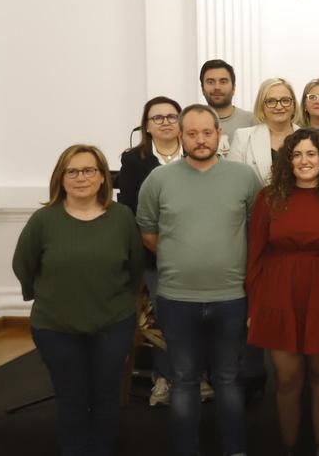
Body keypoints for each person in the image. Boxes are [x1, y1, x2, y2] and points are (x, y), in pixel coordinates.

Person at [136, 104, 263, 456]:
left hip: (231, 297)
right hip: (177, 298)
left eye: (207, 132)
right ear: (180, 136)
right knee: (184, 381)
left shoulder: (244, 177)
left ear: (219, 135)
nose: (200, 139)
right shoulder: (158, 180)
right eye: (191, 133)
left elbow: (256, 231)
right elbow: (148, 232)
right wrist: (183, 256)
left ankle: (235, 450)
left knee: (227, 379)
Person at [13, 144, 144, 456]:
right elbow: (24, 266)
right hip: (56, 326)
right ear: (61, 177)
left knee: (106, 398)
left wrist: (121, 304)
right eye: (72, 171)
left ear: (102, 178)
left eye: (89, 170)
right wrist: (47, 297)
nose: (80, 177)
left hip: (113, 324)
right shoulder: (44, 220)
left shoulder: (122, 217)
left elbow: (135, 267)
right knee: (70, 400)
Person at [246, 129, 319, 454]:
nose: (304, 161)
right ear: (287, 160)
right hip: (277, 296)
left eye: (311, 154)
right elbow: (255, 255)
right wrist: (253, 307)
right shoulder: (269, 197)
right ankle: (289, 447)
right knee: (287, 378)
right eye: (297, 155)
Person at [116, 96, 182, 406]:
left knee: (193, 320)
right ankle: (164, 379)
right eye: (158, 118)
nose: (166, 122)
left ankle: (197, 377)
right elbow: (129, 210)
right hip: (155, 255)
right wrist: (156, 246)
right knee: (163, 320)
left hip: (198, 255)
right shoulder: (134, 160)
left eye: (172, 116)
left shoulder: (197, 153)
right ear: (146, 126)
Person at [228, 78, 300, 183]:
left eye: (285, 100)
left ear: (293, 104)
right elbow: (233, 181)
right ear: (261, 106)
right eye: (271, 101)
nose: (279, 106)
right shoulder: (243, 137)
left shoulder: (309, 138)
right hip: (255, 199)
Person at [199, 59, 256, 155]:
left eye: (223, 81)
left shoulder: (252, 121)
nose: (217, 87)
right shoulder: (191, 123)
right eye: (210, 82)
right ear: (202, 89)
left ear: (234, 88)